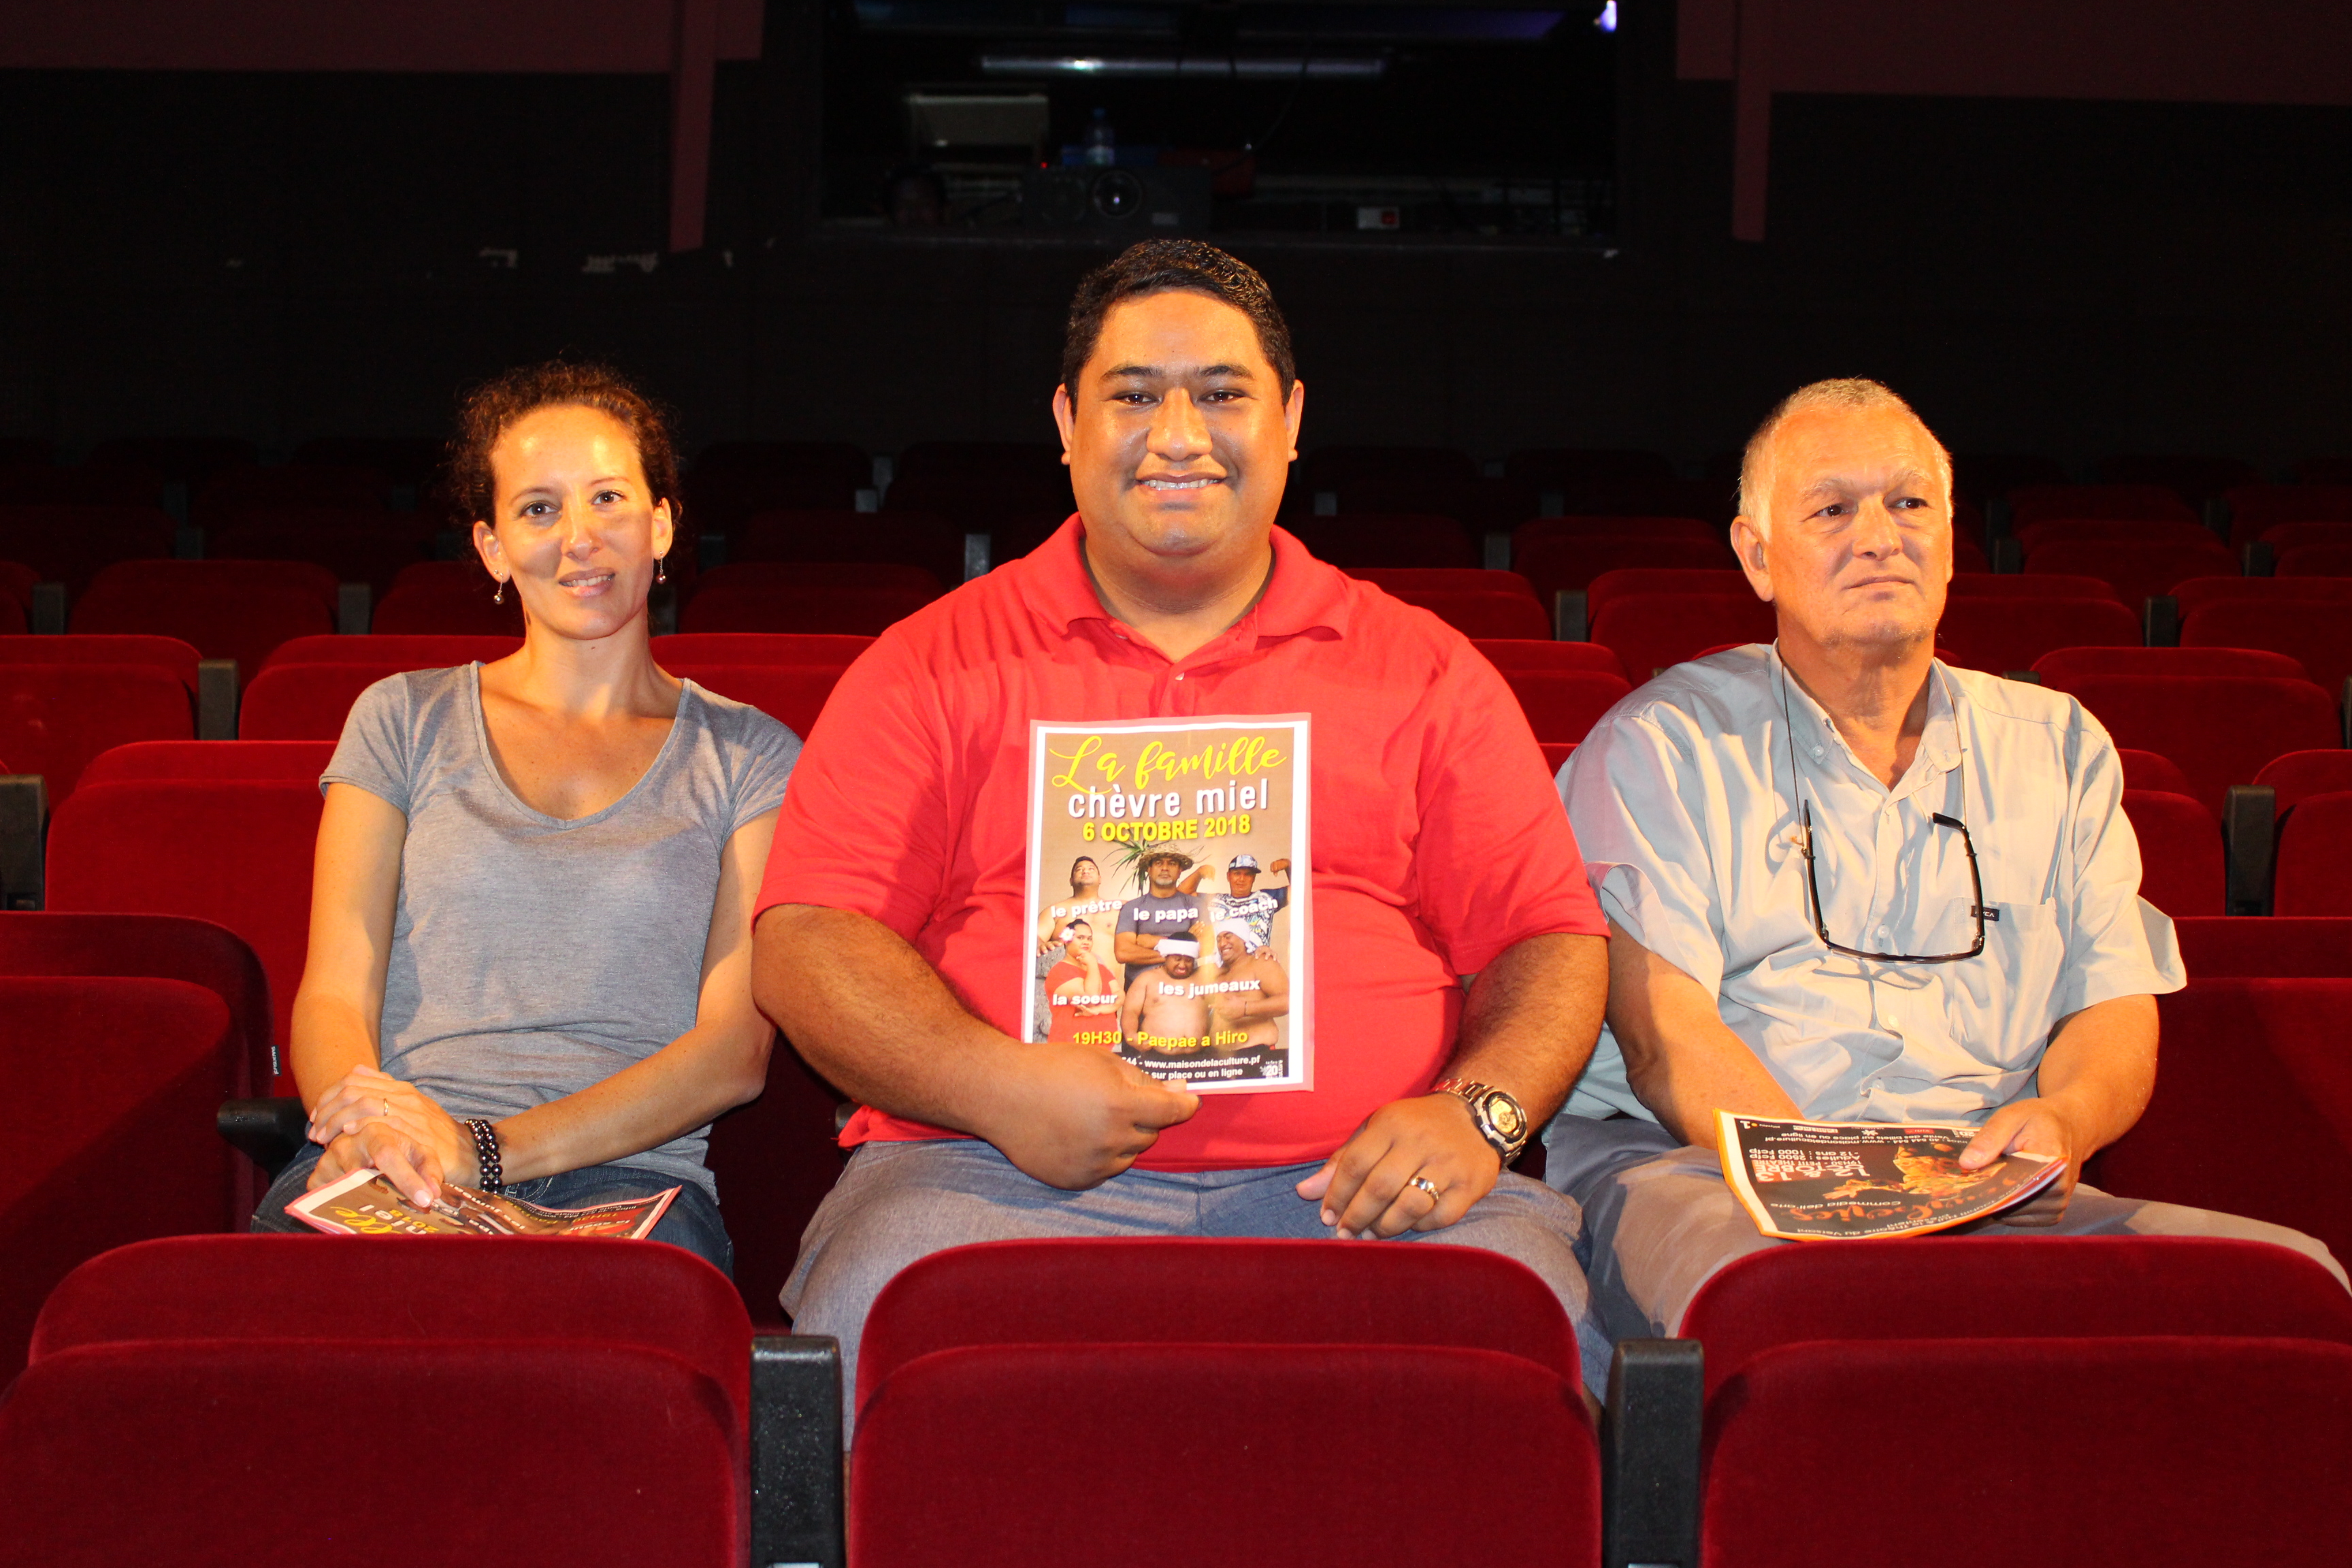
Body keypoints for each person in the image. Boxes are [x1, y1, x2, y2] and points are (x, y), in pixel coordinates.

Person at [751, 238, 1611, 1432]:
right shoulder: (928, 663)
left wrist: (1479, 1112)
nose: (1177, 434)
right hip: (982, 1171)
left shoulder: (1425, 671)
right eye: (1133, 396)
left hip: (1362, 1184)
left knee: (1527, 1319)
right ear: (1067, 423)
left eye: (1220, 394)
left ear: (1291, 419)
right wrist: (992, 1086)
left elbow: (1549, 940)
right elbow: (809, 940)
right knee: (877, 1308)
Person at [1546, 376, 2347, 1388]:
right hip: (1705, 1171)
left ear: (1953, 537)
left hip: (1980, 1177)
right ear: (1757, 555)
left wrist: (2067, 1120)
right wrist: (1841, 1187)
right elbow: (1665, 1040)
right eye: (1832, 510)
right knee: (1798, 1299)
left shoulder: (2058, 746)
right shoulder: (1663, 747)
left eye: (1910, 502)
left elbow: (2111, 1004)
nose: (1880, 537)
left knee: (2291, 1287)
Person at [250, 361, 800, 1274]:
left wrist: (488, 1150)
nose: (579, 538)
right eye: (539, 509)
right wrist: (367, 1126)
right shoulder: (401, 718)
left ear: (662, 524)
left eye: (608, 498)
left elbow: (733, 1054)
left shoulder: (751, 756)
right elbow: (337, 989)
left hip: (629, 1179)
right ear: (493, 547)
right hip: (400, 1158)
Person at [1112, 849, 1211, 985]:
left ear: (1180, 870)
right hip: (1141, 988)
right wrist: (1185, 944)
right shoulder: (1132, 907)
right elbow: (1123, 953)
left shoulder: (1195, 904)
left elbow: (1207, 947)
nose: (1165, 868)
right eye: (1159, 863)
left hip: (1185, 987)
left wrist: (1156, 942)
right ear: (1149, 869)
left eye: (1172, 864)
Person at [1204, 918, 1289, 1051]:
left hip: (1256, 1052)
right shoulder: (1216, 973)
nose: (1222, 943)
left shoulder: (1260, 962)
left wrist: (1245, 1008)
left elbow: (1288, 1001)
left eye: (1228, 937)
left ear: (1243, 938)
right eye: (1219, 939)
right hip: (1217, 1057)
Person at [1043, 919, 1122, 1046]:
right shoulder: (1059, 971)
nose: (1086, 942)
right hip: (1071, 1048)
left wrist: (1100, 1009)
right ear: (1067, 940)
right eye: (1081, 938)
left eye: (1089, 939)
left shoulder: (1101, 968)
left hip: (1104, 1047)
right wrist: (1092, 963)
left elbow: (1119, 995)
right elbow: (1091, 998)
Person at [1211, 853, 1291, 951]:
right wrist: (1199, 874)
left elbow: (1301, 893)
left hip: (1257, 959)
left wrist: (1289, 867)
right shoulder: (1216, 901)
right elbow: (1191, 896)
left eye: (1248, 874)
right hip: (1224, 959)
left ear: (1254, 878)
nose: (1242, 879)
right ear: (1228, 876)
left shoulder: (1265, 898)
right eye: (1237, 874)